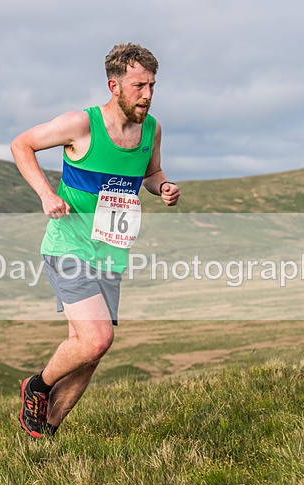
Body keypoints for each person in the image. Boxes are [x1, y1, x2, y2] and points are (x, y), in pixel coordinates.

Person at [10, 43, 180, 438]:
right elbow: (22, 144)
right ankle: (37, 385)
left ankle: (45, 431)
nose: (148, 95)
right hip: (69, 246)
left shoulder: (151, 130)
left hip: (111, 252)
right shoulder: (82, 124)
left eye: (153, 85)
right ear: (114, 85)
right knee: (98, 337)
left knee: (89, 352)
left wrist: (165, 186)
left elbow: (151, 174)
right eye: (139, 85)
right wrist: (46, 195)